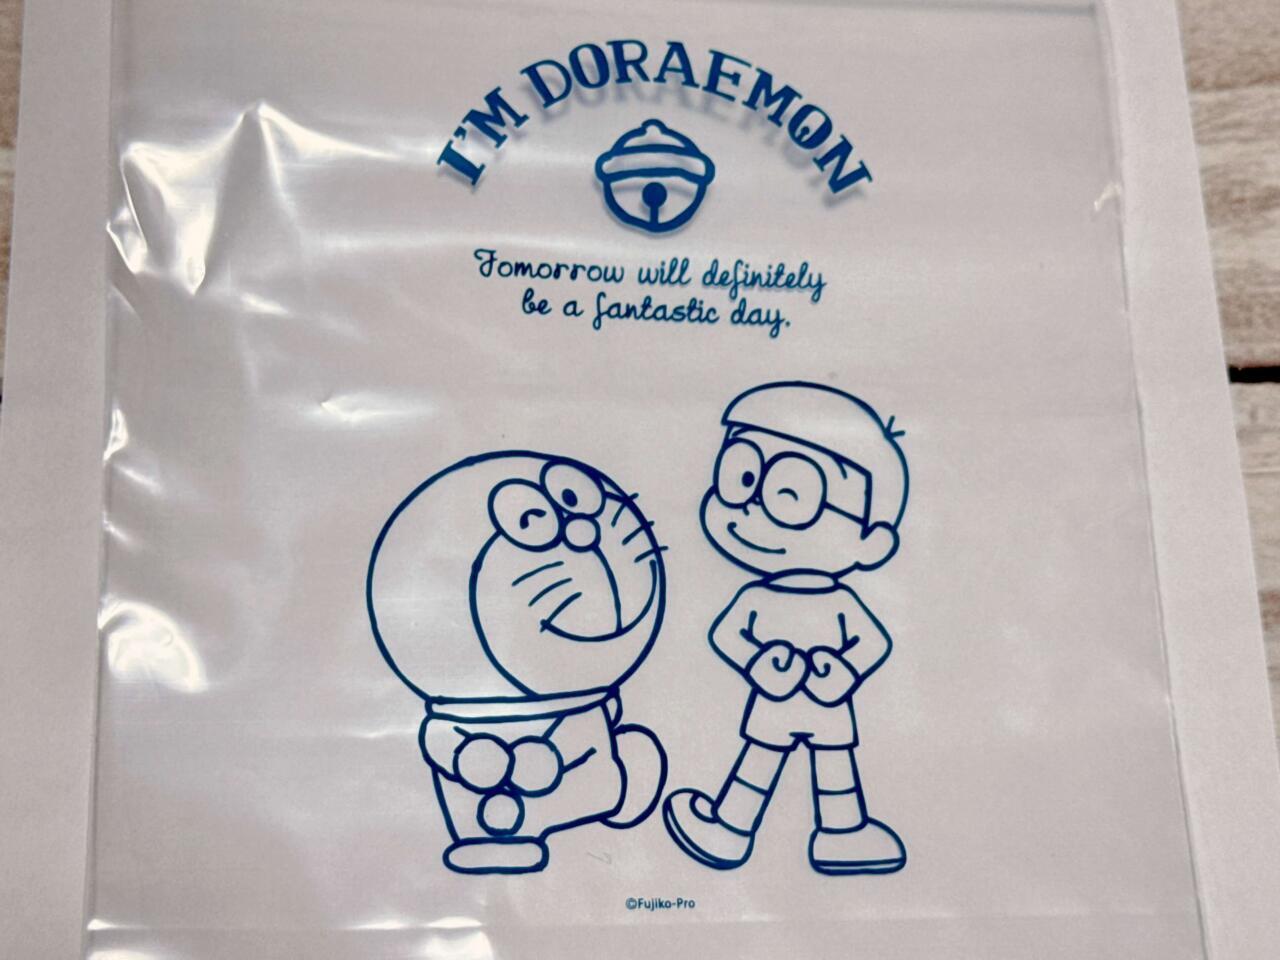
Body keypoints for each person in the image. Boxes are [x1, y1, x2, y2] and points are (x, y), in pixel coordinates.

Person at [664, 381, 909, 875]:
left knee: (833, 768)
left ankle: (843, 836)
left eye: (789, 495)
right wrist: (759, 663)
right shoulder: (756, 597)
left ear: (870, 543)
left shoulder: (840, 602)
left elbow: (872, 643)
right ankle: (729, 830)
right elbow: (727, 636)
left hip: (826, 700)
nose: (749, 509)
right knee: (759, 762)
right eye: (740, 479)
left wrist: (841, 673)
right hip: (776, 698)